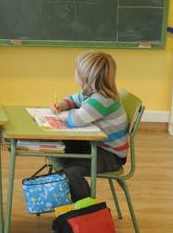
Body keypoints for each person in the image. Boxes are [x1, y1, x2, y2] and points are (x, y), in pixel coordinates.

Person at [49, 50, 129, 201]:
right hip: (96, 145)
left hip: (110, 155)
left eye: (77, 70)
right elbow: (72, 99)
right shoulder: (90, 92)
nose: (74, 72)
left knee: (71, 171)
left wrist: (64, 115)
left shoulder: (101, 99)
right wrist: (61, 105)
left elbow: (75, 120)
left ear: (87, 77)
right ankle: (65, 196)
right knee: (58, 148)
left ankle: (87, 209)